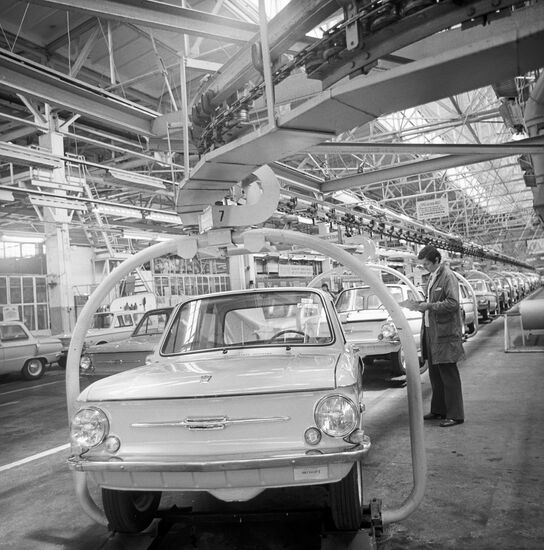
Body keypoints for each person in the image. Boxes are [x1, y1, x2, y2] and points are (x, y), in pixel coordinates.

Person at [407, 245, 465, 427]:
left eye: (426, 264)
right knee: (435, 374)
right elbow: (434, 302)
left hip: (445, 334)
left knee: (449, 375)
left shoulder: (448, 276)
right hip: (432, 332)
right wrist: (421, 304)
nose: (424, 268)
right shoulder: (433, 276)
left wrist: (429, 306)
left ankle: (455, 415)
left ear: (437, 261)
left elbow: (453, 303)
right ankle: (439, 410)